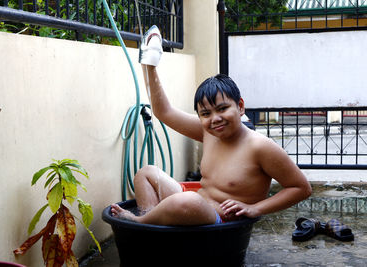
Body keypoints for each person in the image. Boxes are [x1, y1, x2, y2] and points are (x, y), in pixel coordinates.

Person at [111, 26, 311, 225]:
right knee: (146, 173)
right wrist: (150, 65)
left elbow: (300, 188)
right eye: (206, 113)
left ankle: (142, 221)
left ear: (240, 106)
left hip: (220, 221)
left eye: (222, 109)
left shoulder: (260, 147)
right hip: (194, 203)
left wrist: (255, 208)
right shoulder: (209, 132)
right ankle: (151, 229)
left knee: (188, 201)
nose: (215, 119)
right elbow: (164, 112)